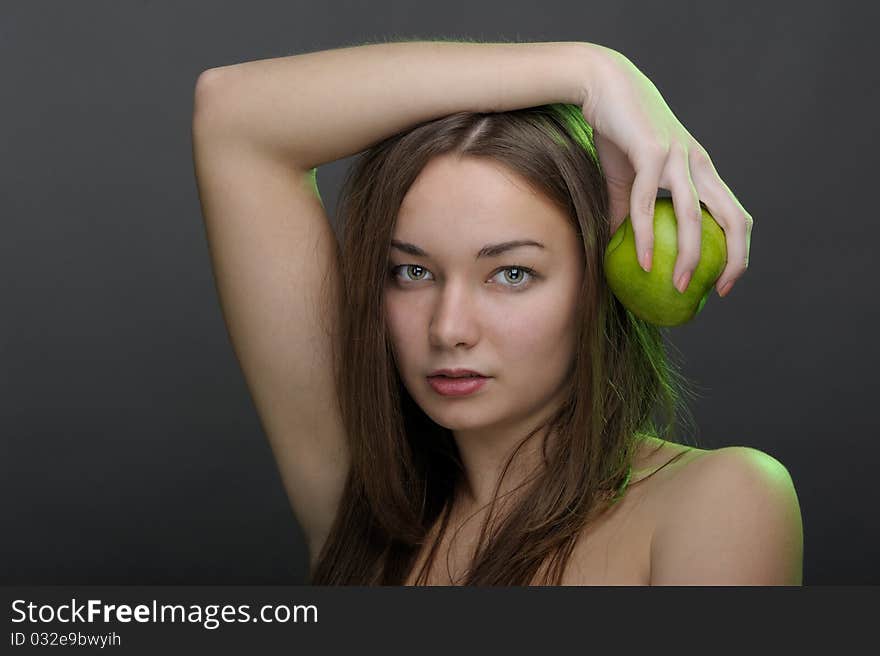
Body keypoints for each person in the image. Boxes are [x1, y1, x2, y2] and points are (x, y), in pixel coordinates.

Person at [191, 39, 803, 585]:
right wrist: (591, 70)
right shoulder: (363, 504)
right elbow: (232, 115)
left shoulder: (718, 503)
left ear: (598, 284)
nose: (448, 328)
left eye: (511, 274)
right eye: (413, 272)